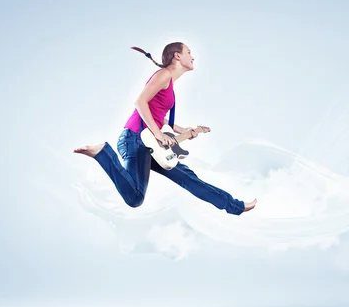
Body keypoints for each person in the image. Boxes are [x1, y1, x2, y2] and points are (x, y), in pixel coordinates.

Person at [73, 42, 257, 215]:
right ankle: (103, 153)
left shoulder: (169, 82)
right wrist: (158, 133)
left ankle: (235, 206)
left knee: (188, 179)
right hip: (136, 139)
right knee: (135, 198)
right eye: (189, 53)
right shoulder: (164, 75)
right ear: (177, 56)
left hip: (149, 143)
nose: (193, 57)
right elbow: (140, 102)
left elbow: (156, 113)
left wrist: (180, 129)